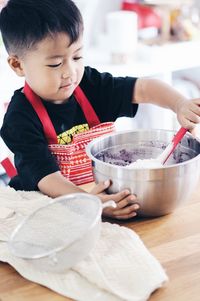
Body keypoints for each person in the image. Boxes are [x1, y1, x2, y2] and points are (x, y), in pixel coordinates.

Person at [0, 0, 200, 220]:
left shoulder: (90, 85)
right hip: (47, 211)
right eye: (56, 64)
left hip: (97, 200)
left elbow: (142, 88)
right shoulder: (19, 118)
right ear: (17, 65)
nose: (70, 72)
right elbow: (47, 177)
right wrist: (89, 202)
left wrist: (179, 104)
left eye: (77, 57)